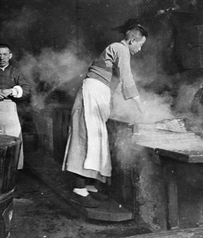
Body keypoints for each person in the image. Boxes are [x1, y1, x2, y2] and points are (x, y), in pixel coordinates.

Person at [62, 19, 148, 208]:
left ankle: (91, 187)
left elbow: (117, 84)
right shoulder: (121, 48)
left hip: (98, 94)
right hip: (91, 93)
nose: (140, 50)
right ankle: (79, 190)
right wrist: (141, 108)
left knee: (98, 140)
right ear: (132, 40)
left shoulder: (116, 51)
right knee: (87, 138)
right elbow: (127, 79)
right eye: (140, 45)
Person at [0, 43, 30, 169]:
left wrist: (10, 91)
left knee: (12, 140)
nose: (1, 57)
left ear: (10, 56)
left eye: (5, 54)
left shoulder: (15, 72)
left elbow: (26, 90)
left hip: (9, 111)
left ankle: (11, 172)